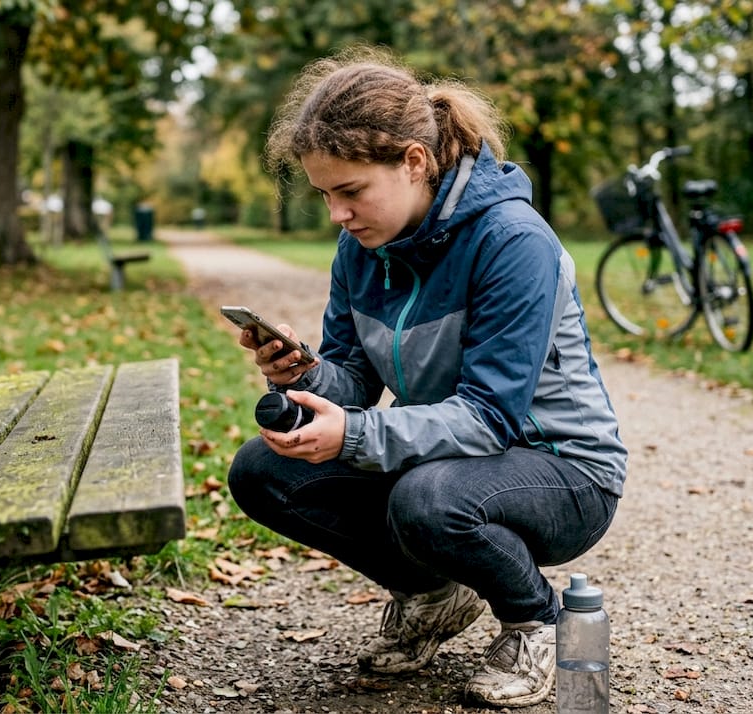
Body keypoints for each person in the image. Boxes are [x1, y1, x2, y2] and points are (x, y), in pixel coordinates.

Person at [226, 46, 627, 708]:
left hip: (565, 470)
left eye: (351, 191)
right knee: (262, 473)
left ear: (415, 162)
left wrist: (353, 436)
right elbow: (354, 378)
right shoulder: (361, 249)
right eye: (326, 195)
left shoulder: (511, 240)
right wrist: (306, 375)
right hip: (451, 455)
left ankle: (535, 622)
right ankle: (434, 595)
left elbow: (488, 416)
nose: (338, 215)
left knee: (428, 499)